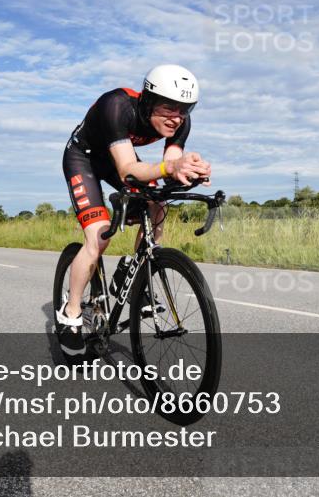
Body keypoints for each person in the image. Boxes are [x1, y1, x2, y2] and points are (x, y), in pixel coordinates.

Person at [58, 65, 211, 355]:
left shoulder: (181, 122)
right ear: (149, 99)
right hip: (85, 158)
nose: (177, 117)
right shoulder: (116, 106)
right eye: (169, 108)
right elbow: (128, 168)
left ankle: (132, 270)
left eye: (185, 109)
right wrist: (170, 167)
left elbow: (170, 166)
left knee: (157, 202)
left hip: (120, 158)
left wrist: (189, 171)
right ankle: (72, 311)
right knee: (99, 237)